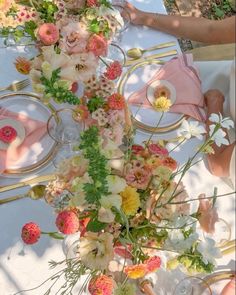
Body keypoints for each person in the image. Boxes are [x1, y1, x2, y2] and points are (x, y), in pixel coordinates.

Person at [122, 1, 235, 183]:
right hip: (224, 84)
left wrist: (215, 105)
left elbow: (218, 164)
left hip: (222, 150)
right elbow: (212, 30)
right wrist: (143, 17)